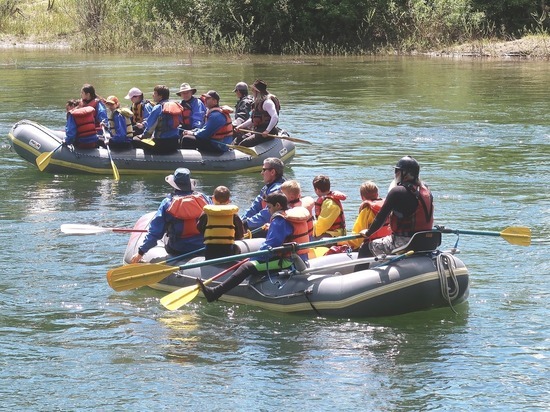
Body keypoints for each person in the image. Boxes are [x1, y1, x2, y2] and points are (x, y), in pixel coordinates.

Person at [196, 193, 311, 302]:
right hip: (301, 259)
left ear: (278, 205)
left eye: (269, 207)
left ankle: (215, 293)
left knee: (246, 267)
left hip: (288, 262)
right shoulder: (289, 216)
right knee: (251, 262)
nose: (268, 210)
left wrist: (254, 259)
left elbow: (270, 246)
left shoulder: (279, 221)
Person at [357, 156, 434, 262]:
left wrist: (368, 232)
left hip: (405, 242)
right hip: (426, 240)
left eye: (397, 171)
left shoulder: (398, 191)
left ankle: (362, 277)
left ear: (406, 174)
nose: (395, 174)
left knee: (365, 249)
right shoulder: (426, 190)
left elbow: (381, 218)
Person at [130, 168, 212, 263]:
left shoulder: (167, 203)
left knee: (166, 233)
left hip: (178, 249)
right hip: (202, 246)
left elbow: (155, 232)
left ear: (174, 185)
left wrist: (141, 252)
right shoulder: (205, 199)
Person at [197, 186, 245, 260]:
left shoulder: (206, 214)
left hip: (210, 252)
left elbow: (200, 228)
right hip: (228, 252)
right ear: (228, 200)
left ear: (213, 198)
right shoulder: (234, 215)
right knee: (238, 248)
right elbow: (240, 234)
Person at [241, 157, 285, 236]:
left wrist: (247, 224)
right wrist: (241, 220)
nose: (261, 173)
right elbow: (254, 208)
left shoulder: (278, 191)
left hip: (274, 228)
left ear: (272, 172)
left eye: (264, 170)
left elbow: (267, 213)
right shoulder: (266, 188)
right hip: (263, 224)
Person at [134, 85, 183, 154]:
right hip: (175, 142)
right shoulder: (176, 106)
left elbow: (149, 129)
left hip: (162, 144)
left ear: (160, 96)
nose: (153, 95)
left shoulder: (158, 108)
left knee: (135, 139)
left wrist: (142, 136)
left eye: (155, 93)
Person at [346, 180, 391, 250]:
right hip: (389, 243)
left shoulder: (366, 211)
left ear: (362, 197)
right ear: (377, 194)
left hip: (373, 246)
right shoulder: (388, 207)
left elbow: (356, 240)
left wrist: (339, 243)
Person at [234, 79, 280, 147]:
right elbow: (252, 119)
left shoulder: (267, 102)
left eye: (253, 90)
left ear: (257, 91)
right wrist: (241, 126)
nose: (252, 92)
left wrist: (267, 131)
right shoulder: (256, 102)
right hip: (258, 130)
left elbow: (275, 117)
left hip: (268, 131)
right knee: (238, 140)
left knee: (245, 143)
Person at [312, 175, 347, 239]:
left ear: (317, 190)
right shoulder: (328, 200)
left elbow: (320, 228)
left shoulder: (329, 204)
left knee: (307, 237)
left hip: (333, 236)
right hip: (334, 233)